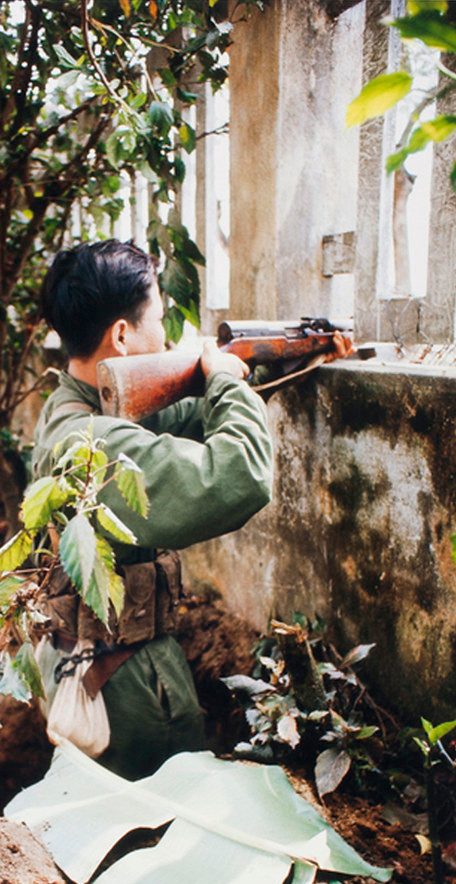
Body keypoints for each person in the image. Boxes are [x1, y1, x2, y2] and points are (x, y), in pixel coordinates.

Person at [33, 238, 275, 781]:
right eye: (159, 321)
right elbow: (238, 476)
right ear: (121, 335)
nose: (165, 338)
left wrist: (233, 378)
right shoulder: (91, 443)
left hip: (92, 668)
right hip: (130, 687)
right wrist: (225, 388)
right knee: (161, 827)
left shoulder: (69, 408)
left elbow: (168, 422)